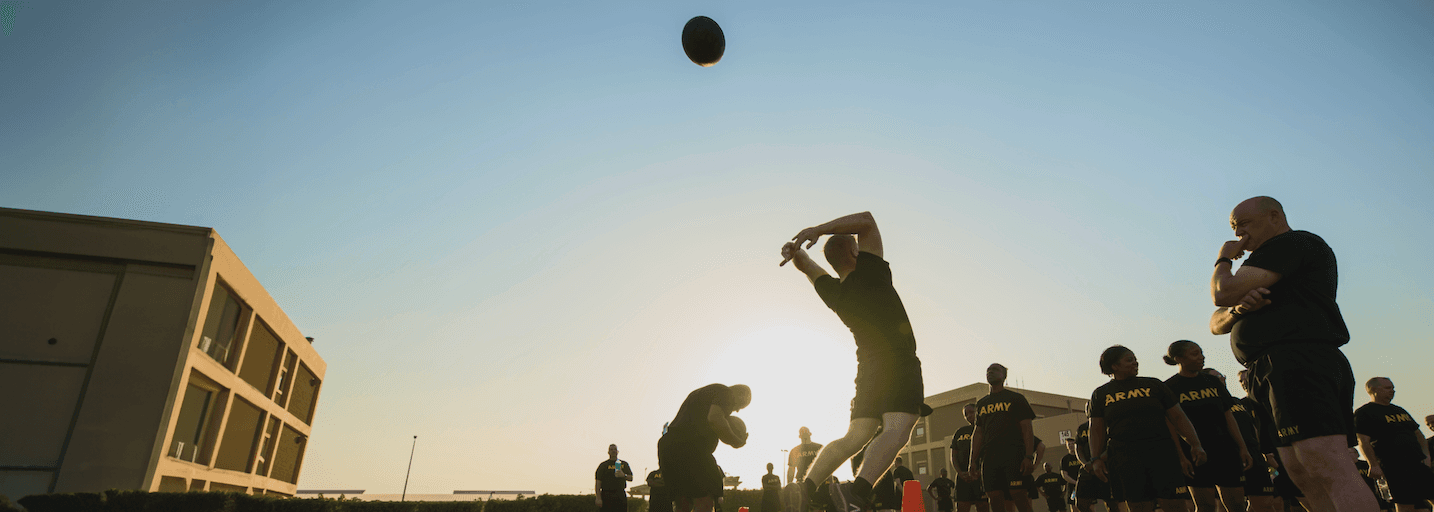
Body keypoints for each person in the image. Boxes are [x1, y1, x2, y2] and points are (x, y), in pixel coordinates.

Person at [1208, 196, 1374, 511]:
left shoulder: (1291, 244)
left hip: (1297, 359)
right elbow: (1217, 321)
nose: (1239, 234)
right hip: (1267, 369)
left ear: (1274, 216)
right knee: (1299, 469)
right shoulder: (1259, 265)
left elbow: (1221, 292)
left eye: (1244, 224)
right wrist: (1239, 311)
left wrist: (1223, 259)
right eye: (1233, 227)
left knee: (1324, 459)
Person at [780, 211, 925, 512]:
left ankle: (806, 490)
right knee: (899, 426)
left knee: (856, 435)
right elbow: (868, 221)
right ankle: (857, 493)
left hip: (869, 369)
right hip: (897, 361)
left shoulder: (835, 292)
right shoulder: (871, 272)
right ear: (856, 251)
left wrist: (796, 253)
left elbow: (807, 266)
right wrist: (818, 229)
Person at [1088, 345, 1205, 512]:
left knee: (1174, 505)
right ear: (1114, 366)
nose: (1135, 362)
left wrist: (1195, 443)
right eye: (1129, 360)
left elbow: (1179, 417)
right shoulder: (1101, 394)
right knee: (1139, 506)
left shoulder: (1154, 385)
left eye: (1135, 359)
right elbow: (1096, 429)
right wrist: (1095, 459)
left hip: (1162, 455)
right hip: (1126, 458)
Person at [1162, 341, 1253, 512]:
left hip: (1225, 450)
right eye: (1195, 354)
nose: (1201, 357)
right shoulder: (1169, 387)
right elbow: (1171, 427)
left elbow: (1228, 417)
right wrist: (1181, 457)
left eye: (1201, 353)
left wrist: (1242, 447)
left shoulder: (1212, 381)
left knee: (1237, 505)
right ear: (1179, 358)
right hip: (1194, 454)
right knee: (1205, 506)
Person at [658, 384, 752, 512]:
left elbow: (715, 424)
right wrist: (737, 441)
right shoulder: (726, 392)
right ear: (741, 394)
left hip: (668, 447)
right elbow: (715, 420)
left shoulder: (702, 395)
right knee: (705, 503)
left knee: (682, 504)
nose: (737, 410)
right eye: (742, 405)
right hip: (691, 449)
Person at [1204, 367, 1279, 512]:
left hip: (1254, 456)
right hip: (1229, 458)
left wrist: (1262, 452)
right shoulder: (1207, 404)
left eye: (1221, 375)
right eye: (1216, 377)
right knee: (1236, 507)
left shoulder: (1237, 402)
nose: (1221, 379)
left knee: (1266, 504)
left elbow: (1253, 428)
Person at [1355, 377, 1434, 511]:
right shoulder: (1364, 413)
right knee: (1405, 503)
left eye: (1393, 388)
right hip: (1393, 467)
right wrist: (1373, 464)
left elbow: (1419, 435)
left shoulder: (1399, 410)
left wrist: (1426, 455)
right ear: (1374, 390)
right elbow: (1363, 441)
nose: (1392, 391)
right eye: (1387, 388)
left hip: (1417, 464)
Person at [969, 364, 1038, 512]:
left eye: (995, 370)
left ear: (1004, 376)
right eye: (988, 370)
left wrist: (1028, 456)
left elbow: (1027, 428)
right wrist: (973, 460)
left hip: (1013, 455)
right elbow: (978, 433)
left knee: (1018, 495)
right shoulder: (982, 403)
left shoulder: (1016, 398)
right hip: (990, 458)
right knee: (993, 496)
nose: (990, 373)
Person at [1070, 408, 1117, 512]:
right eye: (1087, 408)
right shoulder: (1082, 428)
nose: (1089, 410)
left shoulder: (1109, 424)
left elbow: (1113, 445)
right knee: (1080, 503)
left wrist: (1097, 460)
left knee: (1112, 504)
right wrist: (1085, 463)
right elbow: (1078, 448)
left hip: (1106, 468)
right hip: (1087, 469)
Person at [951, 403, 992, 512]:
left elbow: (989, 453)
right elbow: (954, 455)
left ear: (978, 413)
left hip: (980, 477)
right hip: (963, 478)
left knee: (983, 507)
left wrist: (979, 472)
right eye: (966, 414)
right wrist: (960, 472)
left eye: (971, 412)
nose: (969, 416)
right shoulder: (960, 432)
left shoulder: (985, 430)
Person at [597, 444, 635, 512]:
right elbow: (598, 483)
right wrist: (598, 498)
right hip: (606, 495)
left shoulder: (623, 464)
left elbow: (631, 478)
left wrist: (623, 475)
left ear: (617, 452)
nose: (613, 451)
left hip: (620, 494)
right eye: (611, 450)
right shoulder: (603, 465)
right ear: (608, 452)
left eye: (615, 449)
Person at [1059, 438, 1080, 510]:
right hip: (1072, 487)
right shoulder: (1065, 459)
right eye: (1069, 444)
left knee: (1089, 507)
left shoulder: (1082, 456)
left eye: (1072, 444)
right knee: (1074, 507)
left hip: (1085, 485)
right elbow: (1064, 475)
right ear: (1067, 446)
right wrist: (1075, 482)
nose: (1071, 445)